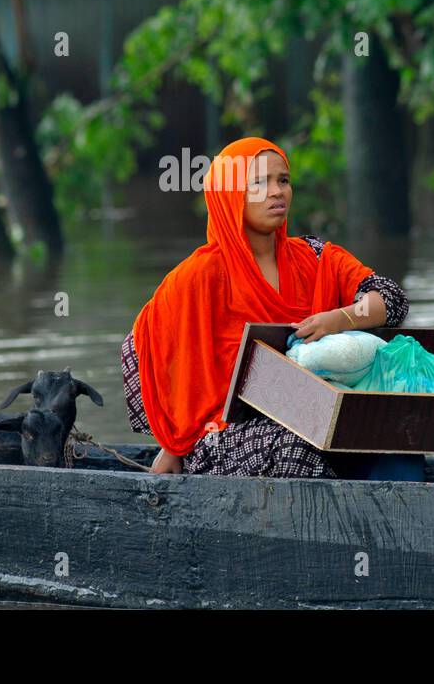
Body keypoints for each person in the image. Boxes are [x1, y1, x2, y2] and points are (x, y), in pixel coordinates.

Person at [119, 136, 409, 478]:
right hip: (225, 435)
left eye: (283, 180)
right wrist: (172, 446)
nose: (276, 192)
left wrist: (337, 319)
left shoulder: (314, 256)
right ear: (230, 195)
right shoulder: (199, 276)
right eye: (259, 183)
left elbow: (390, 299)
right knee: (296, 444)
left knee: (397, 430)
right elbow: (149, 351)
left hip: (319, 417)